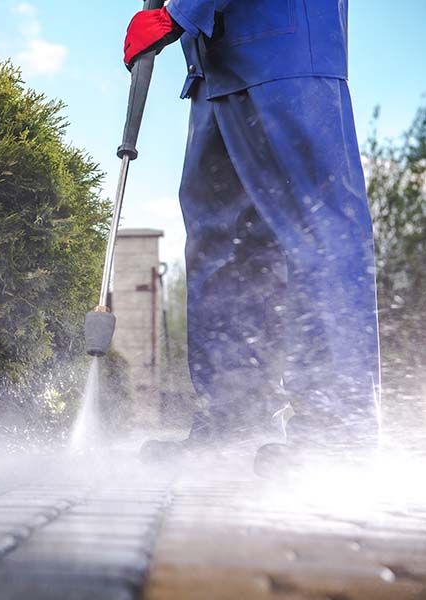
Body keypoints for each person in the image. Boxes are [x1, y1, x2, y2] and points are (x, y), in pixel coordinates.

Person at [123, 0, 382, 470]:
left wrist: (176, 13)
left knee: (319, 229)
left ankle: (337, 430)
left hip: (284, 54)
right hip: (213, 67)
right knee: (223, 243)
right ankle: (234, 419)